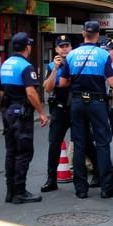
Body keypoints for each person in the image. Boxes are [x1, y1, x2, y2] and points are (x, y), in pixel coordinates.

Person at [60, 21, 113, 199]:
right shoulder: (103, 55)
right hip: (97, 102)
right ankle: (106, 187)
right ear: (98, 34)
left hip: (78, 102)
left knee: (79, 144)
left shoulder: (72, 55)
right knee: (102, 143)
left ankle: (81, 189)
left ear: (83, 33)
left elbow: (63, 83)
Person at [0, 32, 49, 204]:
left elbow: (1, 92)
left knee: (11, 152)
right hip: (21, 114)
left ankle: (9, 191)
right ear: (27, 47)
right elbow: (31, 92)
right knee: (24, 152)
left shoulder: (5, 64)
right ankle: (19, 192)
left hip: (7, 112)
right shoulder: (25, 66)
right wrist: (41, 112)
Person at [41, 35, 72, 193]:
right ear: (56, 49)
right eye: (62, 46)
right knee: (54, 144)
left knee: (84, 142)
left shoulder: (74, 62)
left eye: (67, 45)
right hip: (59, 108)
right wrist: (54, 68)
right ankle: (51, 179)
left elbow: (67, 83)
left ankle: (96, 175)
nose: (65, 48)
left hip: (74, 107)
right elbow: (47, 88)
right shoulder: (52, 66)